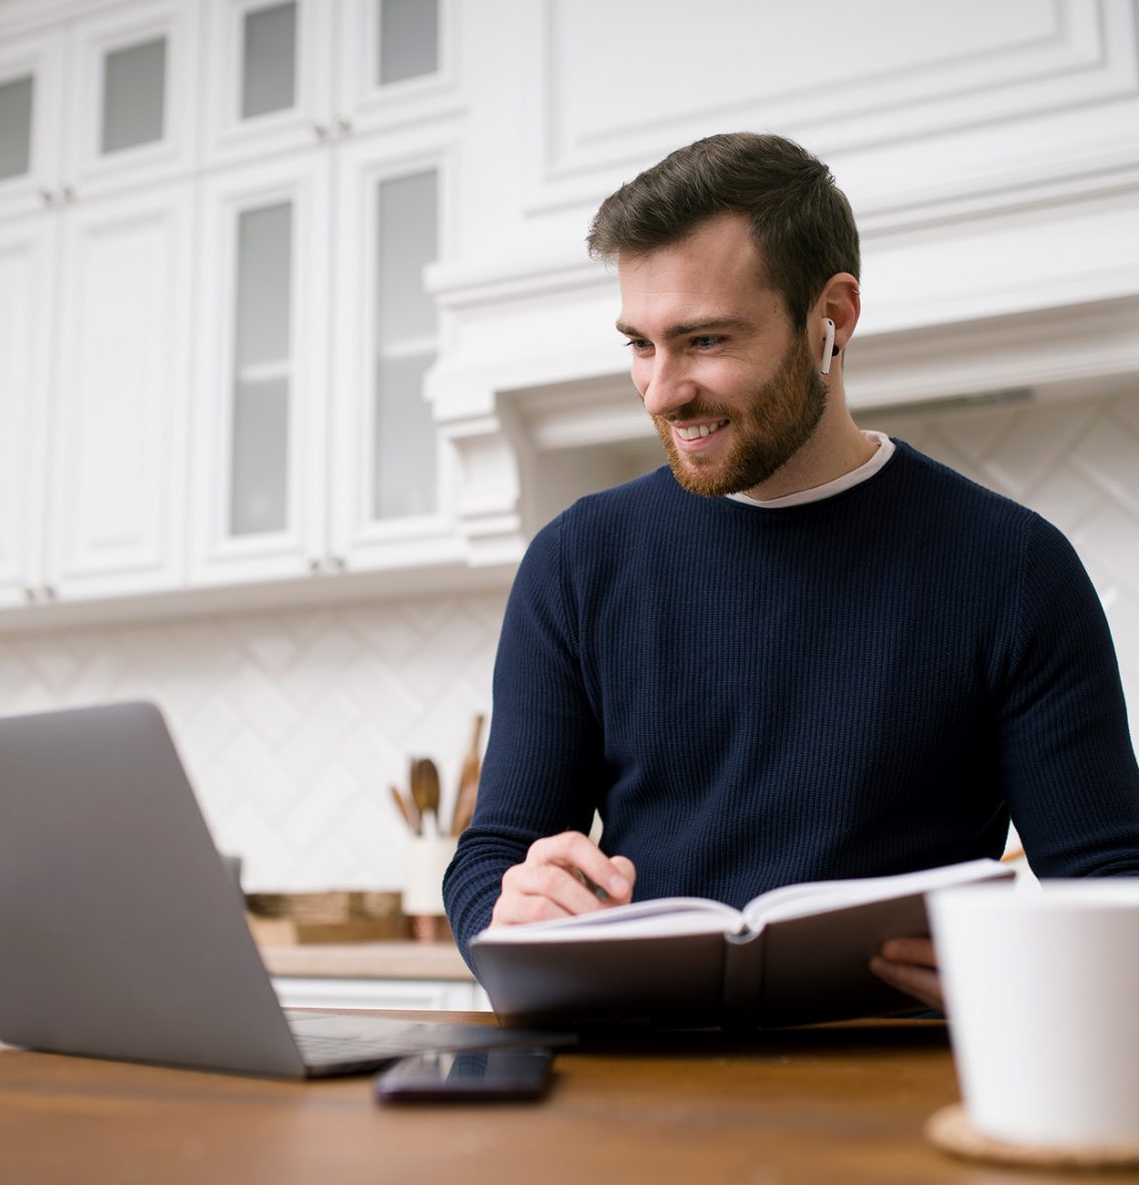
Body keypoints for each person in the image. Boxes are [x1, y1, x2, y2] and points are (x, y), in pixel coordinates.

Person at [442, 132, 1139, 1012]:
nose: (661, 391)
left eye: (702, 339)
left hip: (902, 1089)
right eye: (640, 345)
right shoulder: (577, 563)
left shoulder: (1012, 568)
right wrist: (507, 918)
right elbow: (494, 853)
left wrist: (1034, 963)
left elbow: (1113, 881)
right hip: (637, 1087)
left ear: (832, 317)